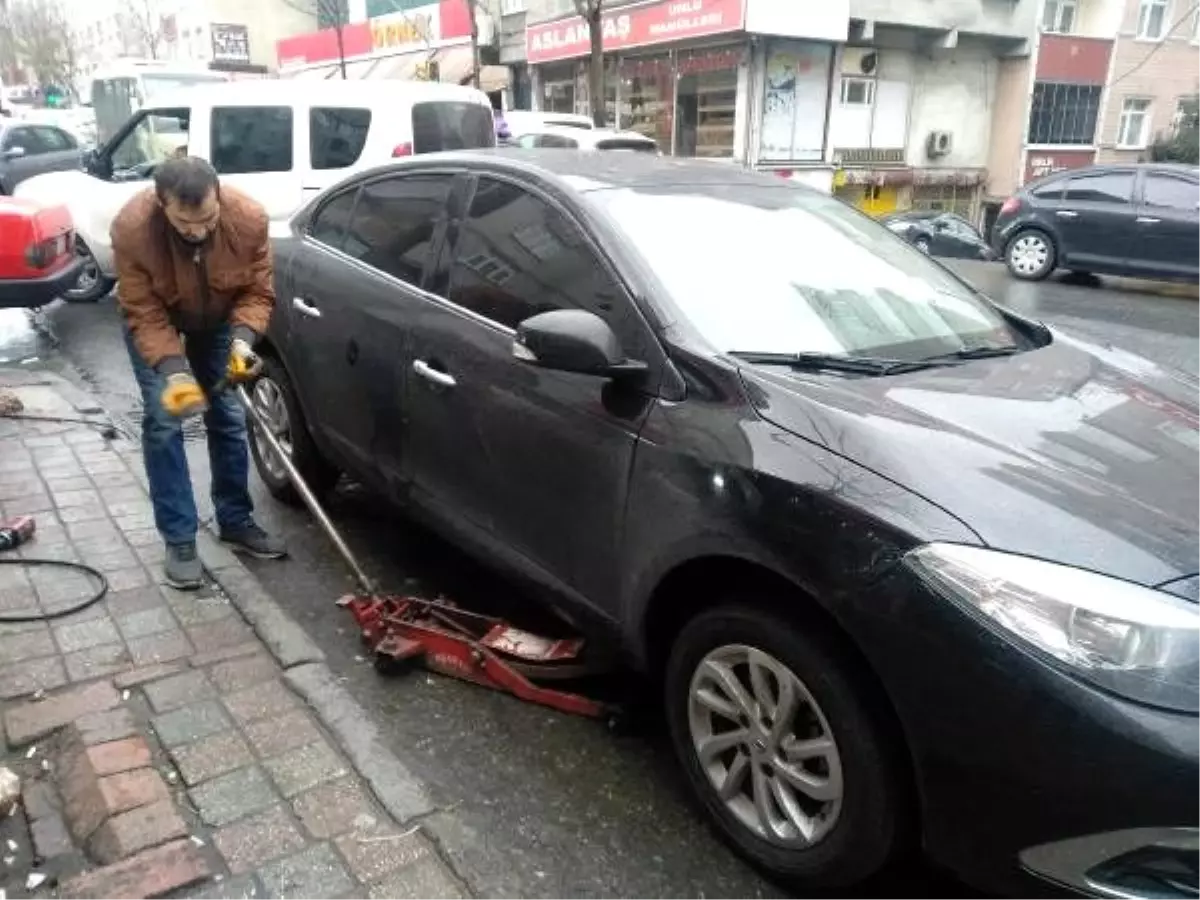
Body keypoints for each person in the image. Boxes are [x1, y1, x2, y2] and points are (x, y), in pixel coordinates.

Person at [112, 156, 286, 590]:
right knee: (164, 422)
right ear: (161, 203)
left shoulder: (248, 218)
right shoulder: (132, 229)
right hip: (159, 319)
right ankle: (180, 537)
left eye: (208, 219)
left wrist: (243, 341)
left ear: (219, 197)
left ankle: (235, 520)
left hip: (219, 317)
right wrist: (173, 370)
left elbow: (257, 289)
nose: (199, 231)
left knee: (227, 414)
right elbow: (143, 311)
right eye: (186, 224)